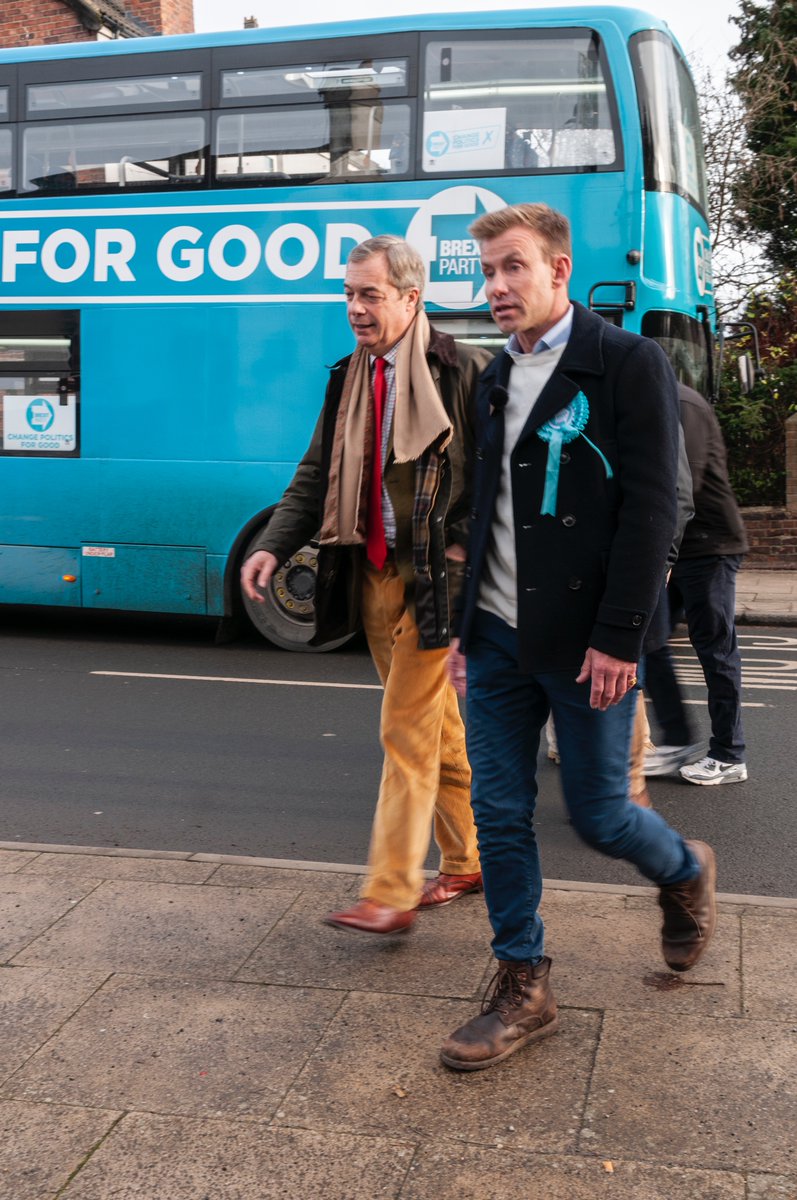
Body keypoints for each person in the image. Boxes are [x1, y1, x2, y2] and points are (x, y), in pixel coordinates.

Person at [439, 203, 717, 1072]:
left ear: (559, 270)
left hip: (586, 635)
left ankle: (682, 869)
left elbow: (652, 508)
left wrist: (620, 635)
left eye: (512, 266)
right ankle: (523, 981)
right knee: (497, 811)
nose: (495, 286)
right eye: (486, 271)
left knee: (598, 815)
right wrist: (461, 630)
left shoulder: (625, 362)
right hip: (495, 635)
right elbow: (488, 513)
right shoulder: (492, 376)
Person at [241, 235, 490, 935]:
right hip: (371, 573)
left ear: (411, 297)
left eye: (369, 294)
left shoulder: (465, 370)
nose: (354, 307)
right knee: (437, 728)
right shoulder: (349, 375)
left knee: (404, 729)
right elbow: (316, 473)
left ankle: (390, 890)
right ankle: (469, 858)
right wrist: (271, 546)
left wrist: (462, 540)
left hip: (436, 579)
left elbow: (505, 473)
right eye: (348, 294)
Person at [644, 383, 749, 785]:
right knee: (651, 640)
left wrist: (660, 556)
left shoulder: (682, 403)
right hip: (677, 546)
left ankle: (729, 755)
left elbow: (681, 484)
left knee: (715, 650)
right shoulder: (654, 399)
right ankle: (677, 741)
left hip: (709, 546)